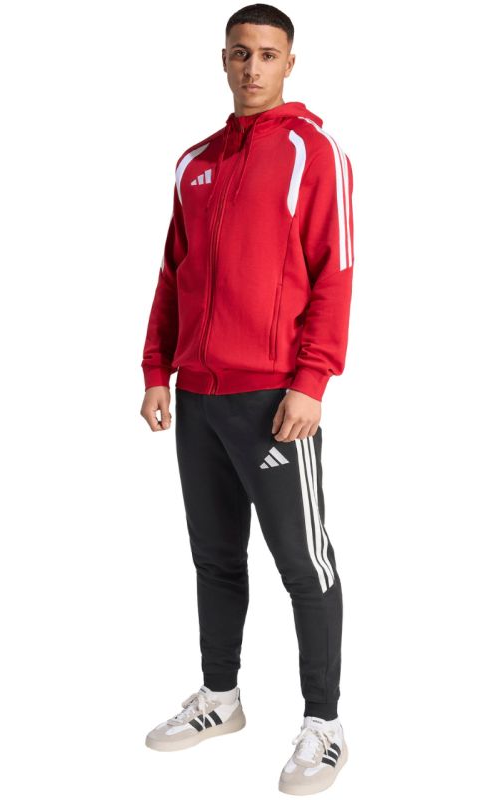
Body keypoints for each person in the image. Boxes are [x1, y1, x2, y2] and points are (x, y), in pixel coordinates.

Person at [139, 4, 354, 794]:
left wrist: (311, 380)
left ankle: (324, 725)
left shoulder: (312, 151)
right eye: (240, 53)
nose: (253, 67)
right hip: (198, 396)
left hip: (273, 398)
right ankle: (220, 698)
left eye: (267, 54)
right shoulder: (194, 162)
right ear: (223, 59)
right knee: (215, 556)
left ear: (290, 62)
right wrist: (156, 369)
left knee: (304, 561)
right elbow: (174, 272)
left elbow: (335, 270)